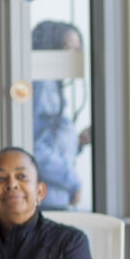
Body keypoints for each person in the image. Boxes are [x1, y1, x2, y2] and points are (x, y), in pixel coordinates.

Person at [0, 146, 99, 259]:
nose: (12, 184)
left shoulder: (69, 243)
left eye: (21, 176)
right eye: (0, 178)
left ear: (40, 191)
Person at [32, 19, 88, 209]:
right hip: (49, 198)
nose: (74, 55)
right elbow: (36, 148)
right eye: (68, 47)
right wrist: (73, 182)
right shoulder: (44, 87)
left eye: (77, 48)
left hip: (54, 196)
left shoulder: (53, 86)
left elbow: (48, 139)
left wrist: (76, 143)